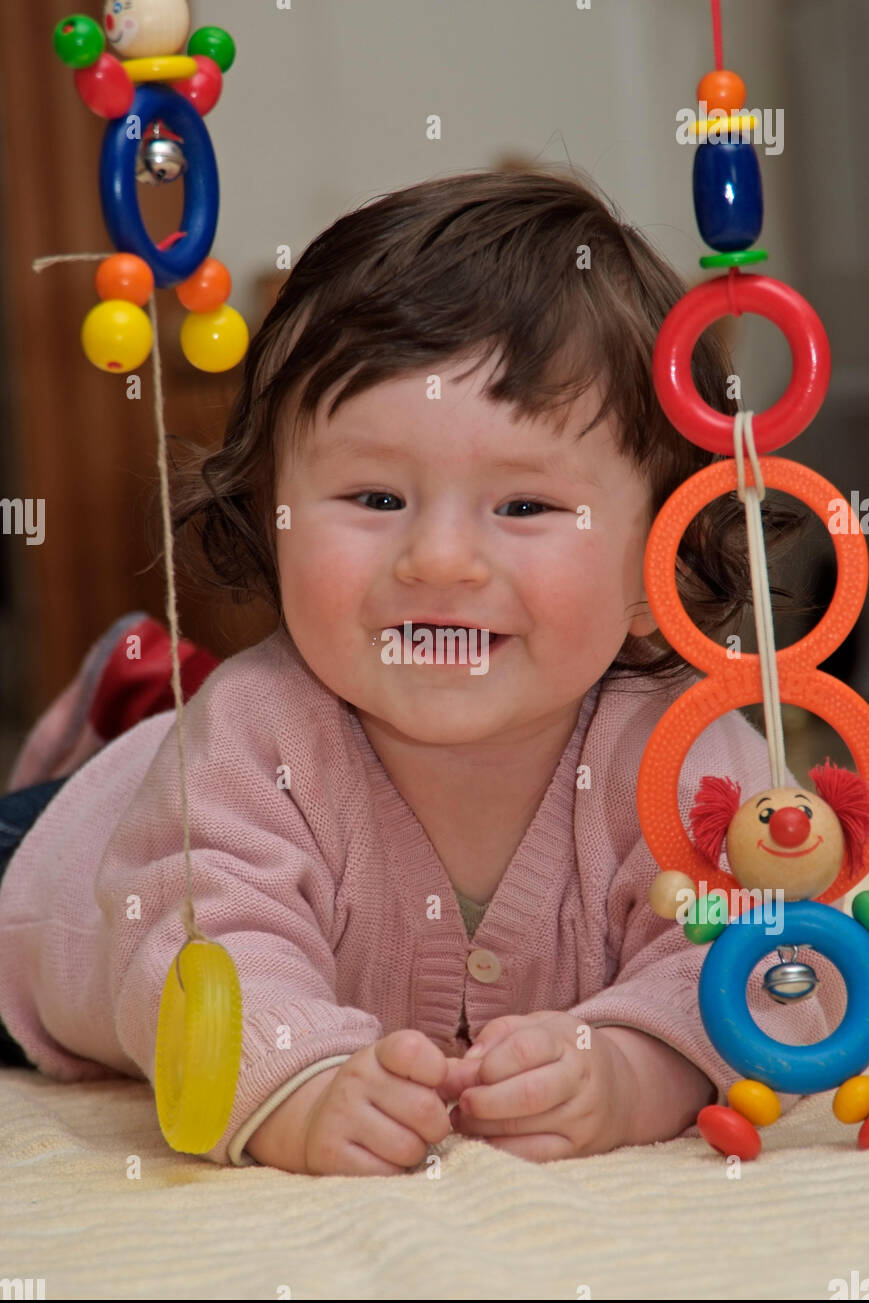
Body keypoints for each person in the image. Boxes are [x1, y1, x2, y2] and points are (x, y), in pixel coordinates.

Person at [0, 168, 837, 1175]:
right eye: (373, 497)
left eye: (522, 507)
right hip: (49, 868)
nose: (438, 560)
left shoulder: (686, 755)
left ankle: (135, 689)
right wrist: (298, 1086)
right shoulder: (259, 735)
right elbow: (194, 948)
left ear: (660, 553)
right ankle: (122, 710)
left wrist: (631, 1068)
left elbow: (777, 961)